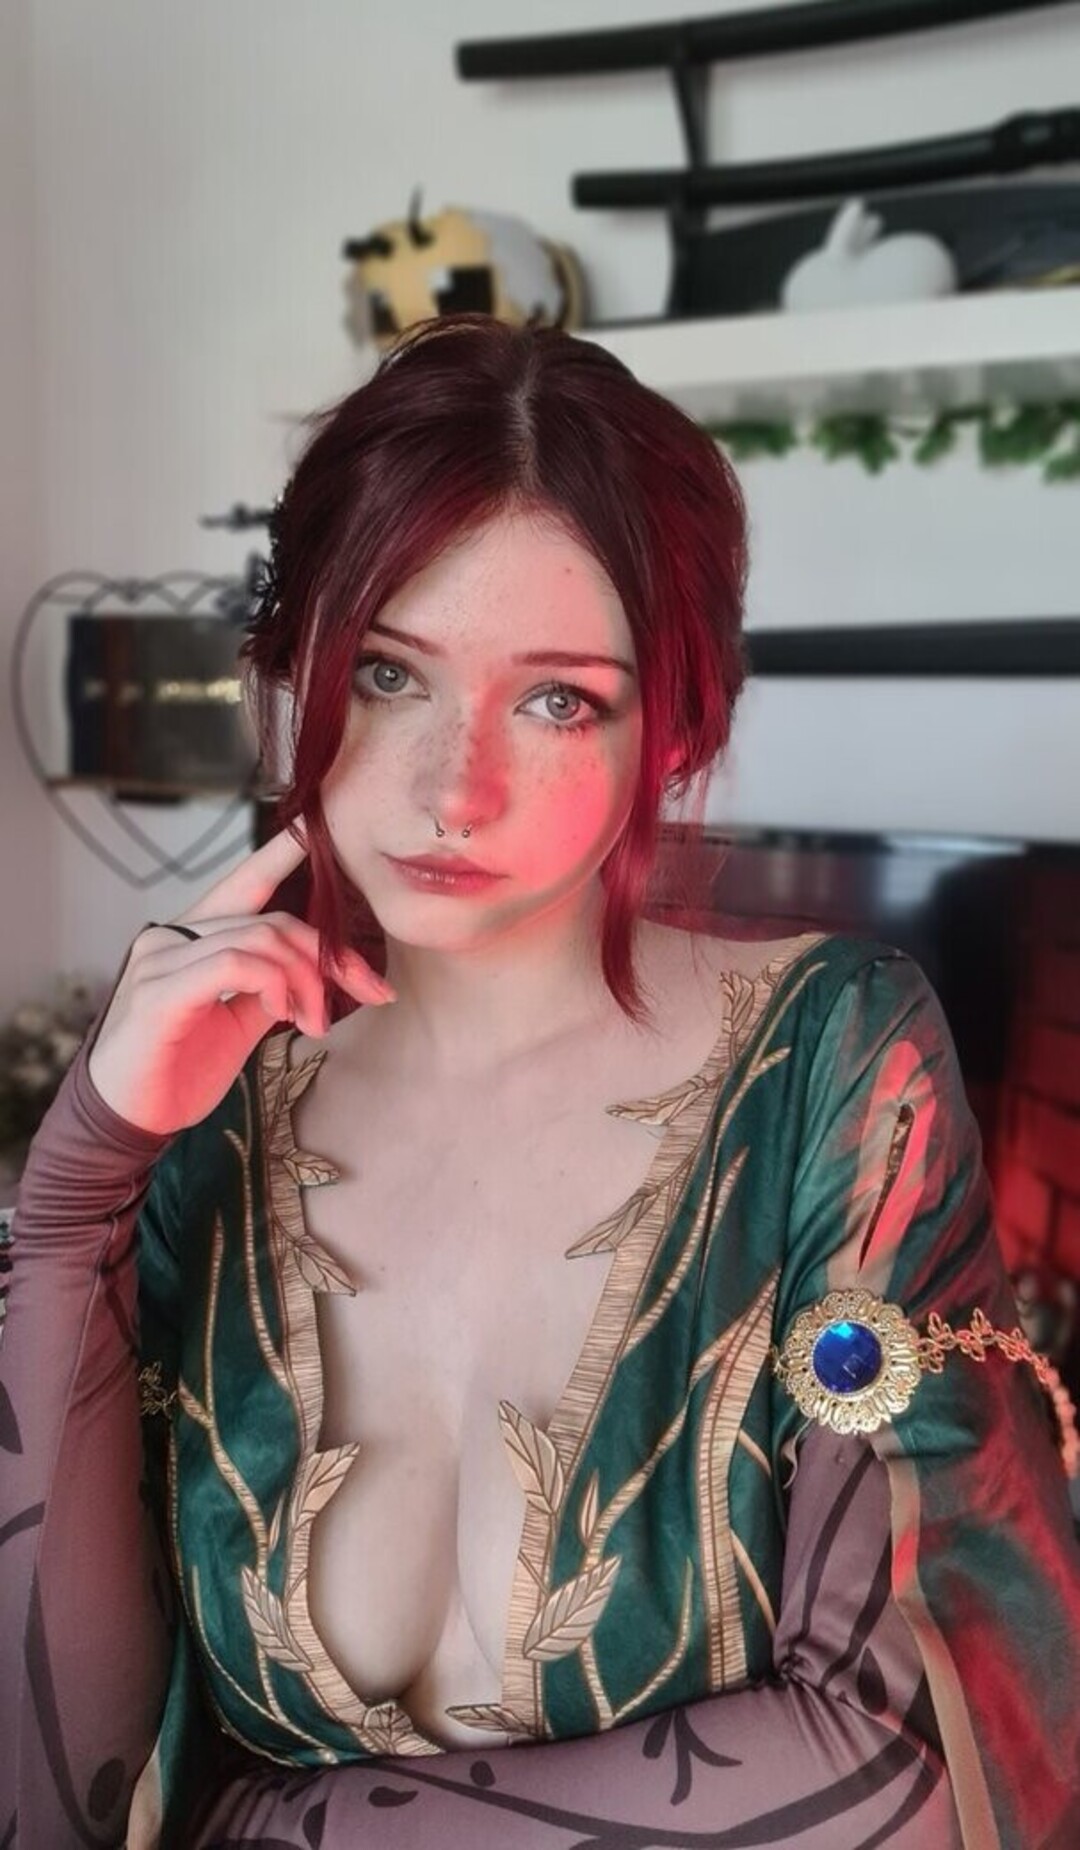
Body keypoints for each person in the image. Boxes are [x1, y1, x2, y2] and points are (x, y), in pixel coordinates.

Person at [2, 314, 1078, 1850]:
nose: (455, 785)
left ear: (673, 729)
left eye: (556, 697)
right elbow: (58, 1798)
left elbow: (907, 1763)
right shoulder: (204, 1126)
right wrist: (73, 1202)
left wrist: (280, 1827)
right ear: (288, 670)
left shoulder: (832, 1067)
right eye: (387, 672)